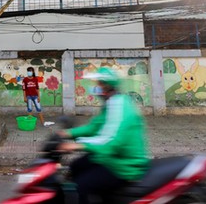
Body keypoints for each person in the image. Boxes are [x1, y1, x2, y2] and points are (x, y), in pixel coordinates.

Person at [58, 67, 149, 204]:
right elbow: (93, 128)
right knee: (76, 166)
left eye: (99, 83)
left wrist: (78, 145)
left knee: (82, 185)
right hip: (111, 158)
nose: (97, 87)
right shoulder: (110, 104)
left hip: (124, 165)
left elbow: (112, 142)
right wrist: (66, 133)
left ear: (108, 86)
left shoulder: (119, 106)